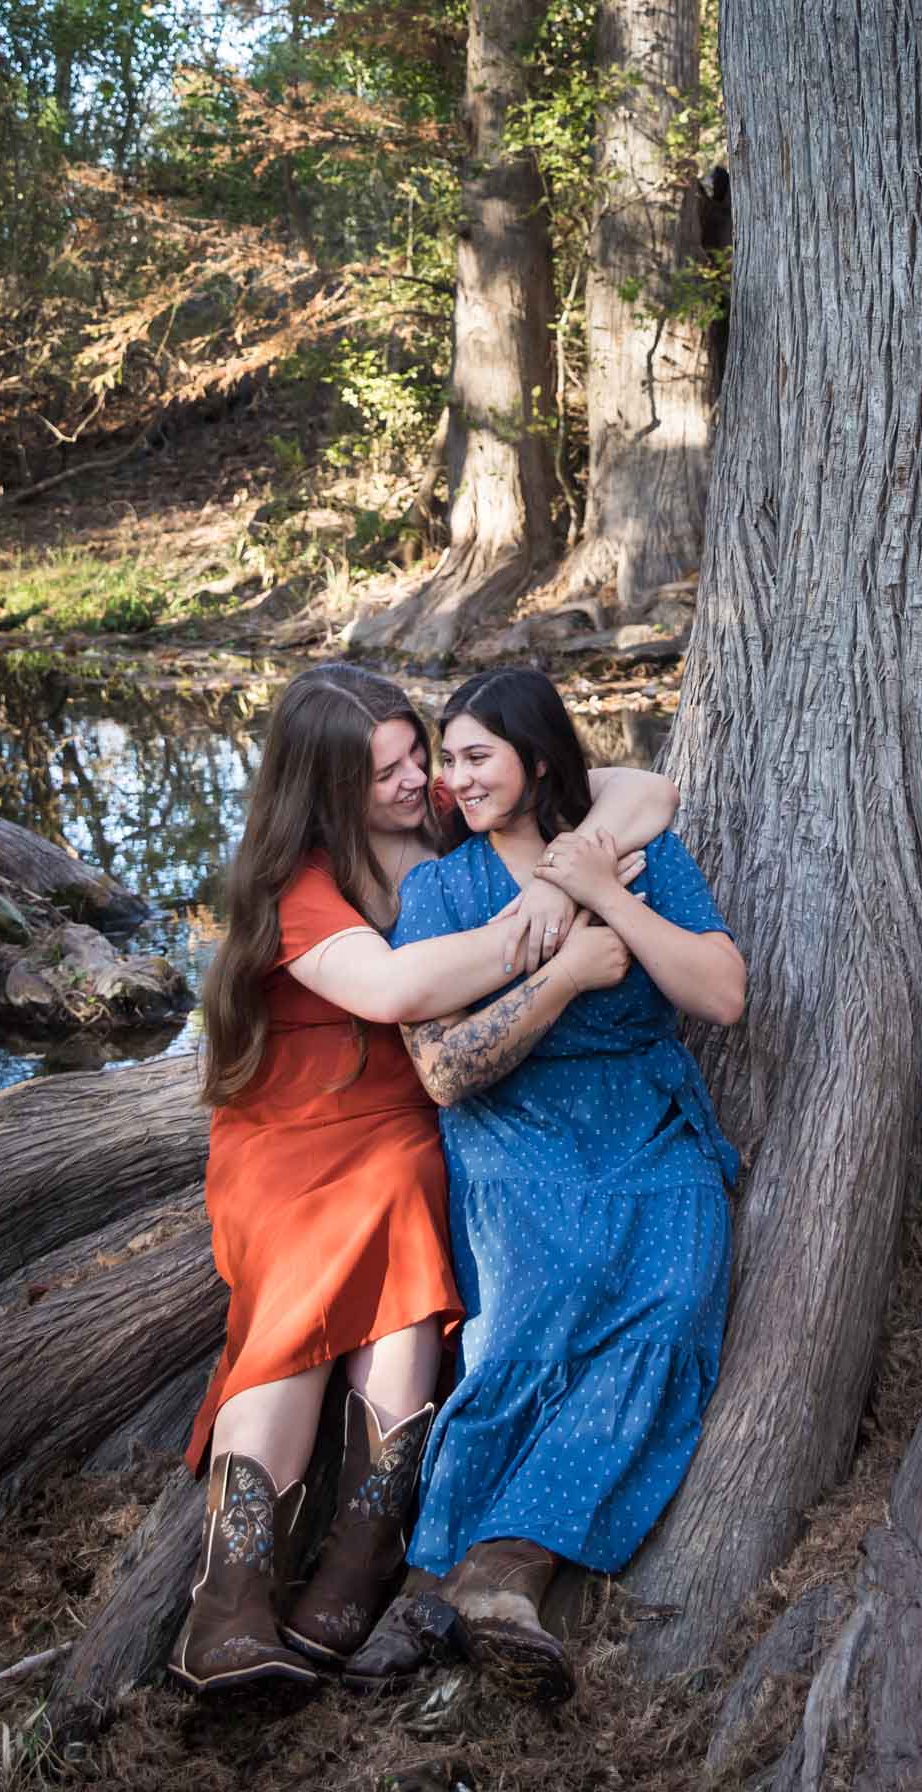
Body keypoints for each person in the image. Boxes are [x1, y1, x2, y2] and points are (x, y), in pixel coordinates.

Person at [168, 660, 678, 1693]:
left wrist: (554, 872)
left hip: (408, 1113)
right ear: (324, 788)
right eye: (387, 772)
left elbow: (642, 791)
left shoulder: (443, 802)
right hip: (294, 1128)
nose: (416, 782)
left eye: (417, 755)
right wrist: (538, 932)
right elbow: (401, 987)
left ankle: (357, 1567)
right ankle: (226, 1605)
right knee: (305, 1287)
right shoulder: (295, 886)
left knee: (405, 1210)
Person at [345, 667, 745, 1704]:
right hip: (511, 1124)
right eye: (446, 758)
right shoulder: (440, 890)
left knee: (668, 1311)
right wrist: (559, 976)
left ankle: (501, 1571)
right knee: (529, 1316)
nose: (453, 778)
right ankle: (429, 1583)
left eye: (477, 754)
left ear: (537, 757)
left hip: (648, 1126)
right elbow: (439, 1067)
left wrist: (610, 892)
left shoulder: (641, 860)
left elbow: (722, 993)